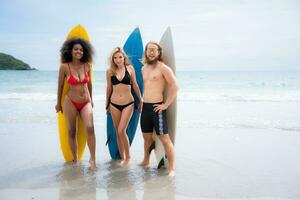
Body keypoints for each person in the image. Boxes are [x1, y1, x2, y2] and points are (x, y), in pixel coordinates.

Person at [139, 41, 178, 176]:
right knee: (146, 138)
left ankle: (172, 168)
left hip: (157, 108)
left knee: (165, 139)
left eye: (154, 50)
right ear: (146, 52)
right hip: (145, 107)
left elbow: (174, 86)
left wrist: (166, 105)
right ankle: (146, 160)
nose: (151, 52)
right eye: (149, 50)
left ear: (158, 52)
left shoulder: (163, 68)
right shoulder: (143, 69)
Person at [55, 38, 96, 169]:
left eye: (81, 50)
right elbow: (60, 86)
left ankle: (93, 159)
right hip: (70, 102)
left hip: (86, 102)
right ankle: (75, 160)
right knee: (72, 131)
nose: (79, 51)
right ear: (71, 51)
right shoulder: (64, 67)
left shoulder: (87, 66)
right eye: (76, 49)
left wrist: (92, 99)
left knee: (90, 127)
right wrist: (58, 103)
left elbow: (89, 84)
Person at [106, 47, 143, 165]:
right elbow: (109, 88)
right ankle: (123, 157)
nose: (118, 60)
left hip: (128, 103)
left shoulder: (130, 68)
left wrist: (140, 99)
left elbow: (135, 85)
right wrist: (106, 104)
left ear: (124, 58)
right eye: (115, 58)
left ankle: (128, 157)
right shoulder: (110, 71)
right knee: (118, 131)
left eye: (120, 57)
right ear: (113, 59)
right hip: (114, 104)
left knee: (122, 130)